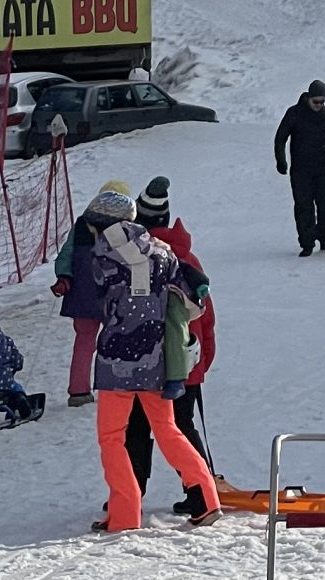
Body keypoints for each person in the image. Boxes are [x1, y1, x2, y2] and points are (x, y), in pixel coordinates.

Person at [86, 209, 218, 533]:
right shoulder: (162, 251)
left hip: (115, 362)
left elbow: (99, 302)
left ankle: (125, 513)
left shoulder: (103, 254)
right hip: (154, 359)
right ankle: (207, 498)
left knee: (112, 438)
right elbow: (191, 292)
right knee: (168, 430)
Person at [121, 177, 216, 517]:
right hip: (187, 363)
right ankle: (201, 490)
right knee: (182, 427)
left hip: (146, 362)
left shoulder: (140, 260)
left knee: (137, 428)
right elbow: (207, 318)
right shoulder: (189, 257)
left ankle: (132, 492)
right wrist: (201, 362)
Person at [51, 184, 125, 407]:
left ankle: (78, 390)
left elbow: (65, 255)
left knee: (84, 341)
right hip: (113, 294)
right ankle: (115, 385)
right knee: (117, 339)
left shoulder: (81, 225)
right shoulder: (123, 228)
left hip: (82, 295)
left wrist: (64, 277)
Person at [273, 80, 325, 257]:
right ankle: (307, 243)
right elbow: (280, 138)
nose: (319, 105)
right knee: (304, 207)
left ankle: (322, 235)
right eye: (316, 102)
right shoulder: (294, 114)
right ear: (308, 97)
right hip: (300, 171)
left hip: (322, 169)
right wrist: (281, 161)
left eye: (322, 102)